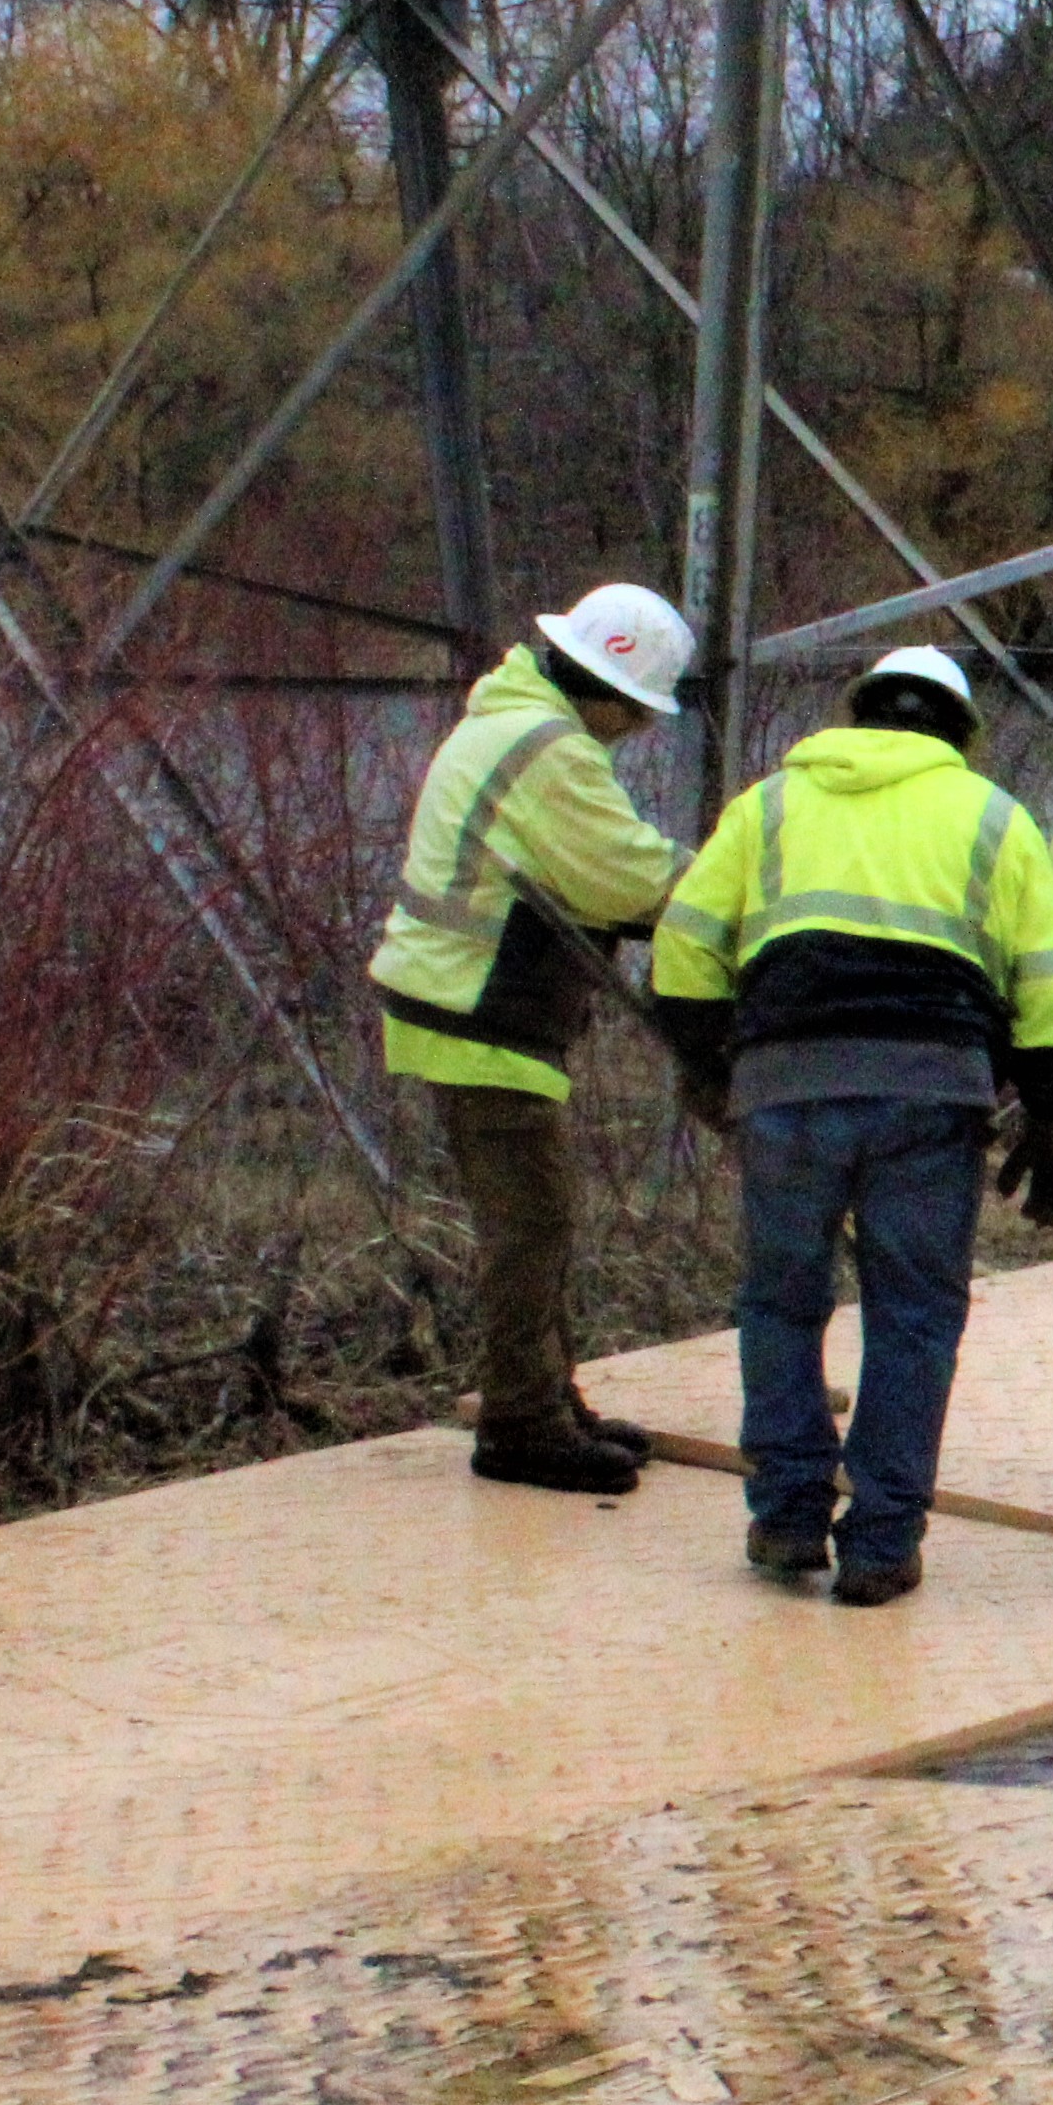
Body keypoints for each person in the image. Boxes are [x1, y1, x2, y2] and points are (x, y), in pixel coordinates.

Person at [642, 643, 1053, 1605]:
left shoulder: (767, 806)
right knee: (915, 1314)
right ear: (960, 735)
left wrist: (707, 1063)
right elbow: (1047, 992)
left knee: (780, 1302)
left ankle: (788, 1518)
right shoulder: (995, 819)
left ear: (856, 715)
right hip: (932, 1094)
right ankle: (883, 1544)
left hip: (785, 1087)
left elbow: (683, 946)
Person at [369, 579, 695, 1492]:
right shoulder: (551, 750)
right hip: (482, 1008)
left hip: (461, 1001)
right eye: (637, 712)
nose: (638, 730)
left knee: (535, 1216)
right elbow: (629, 878)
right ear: (610, 691)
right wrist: (740, 890)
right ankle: (522, 1423)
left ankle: (549, 1399)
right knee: (533, 1221)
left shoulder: (504, 722)